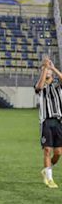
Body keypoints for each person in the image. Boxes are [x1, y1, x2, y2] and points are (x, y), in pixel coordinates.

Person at [35, 56, 62, 188]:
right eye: (43, 69)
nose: (46, 71)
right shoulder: (40, 85)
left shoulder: (57, 85)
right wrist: (45, 69)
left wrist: (52, 68)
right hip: (45, 121)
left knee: (58, 153)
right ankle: (50, 179)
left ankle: (47, 170)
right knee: (47, 150)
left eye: (47, 69)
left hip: (58, 121)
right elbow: (39, 86)